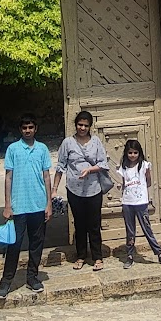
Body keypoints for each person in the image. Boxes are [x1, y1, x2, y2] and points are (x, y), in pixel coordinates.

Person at [0, 116, 52, 298]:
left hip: (38, 204)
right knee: (14, 244)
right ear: (20, 130)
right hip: (19, 205)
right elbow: (8, 177)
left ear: (35, 128)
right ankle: (6, 282)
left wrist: (48, 203)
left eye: (30, 127)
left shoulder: (42, 149)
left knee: (37, 244)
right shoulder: (13, 149)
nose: (27, 130)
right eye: (24, 128)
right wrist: (7, 205)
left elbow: (46, 177)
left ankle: (32, 277)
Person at [54, 110, 110, 270]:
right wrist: (54, 189)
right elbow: (60, 166)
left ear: (90, 126)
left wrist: (90, 170)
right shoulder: (67, 143)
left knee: (94, 224)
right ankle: (81, 256)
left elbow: (103, 163)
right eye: (80, 124)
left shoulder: (96, 142)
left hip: (94, 189)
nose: (82, 128)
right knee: (79, 225)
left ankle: (97, 257)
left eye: (85, 125)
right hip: (74, 190)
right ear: (75, 125)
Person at [115, 138, 161, 268]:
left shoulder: (144, 165)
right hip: (128, 202)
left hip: (141, 202)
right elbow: (123, 182)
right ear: (126, 153)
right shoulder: (124, 167)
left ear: (139, 153)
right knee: (130, 231)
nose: (133, 155)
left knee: (147, 228)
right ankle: (130, 255)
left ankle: (159, 253)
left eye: (135, 153)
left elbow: (148, 180)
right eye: (130, 153)